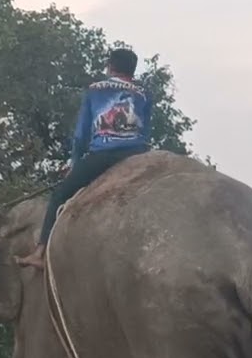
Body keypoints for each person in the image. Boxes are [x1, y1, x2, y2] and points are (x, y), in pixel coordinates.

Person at [16, 47, 153, 269]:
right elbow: (145, 133)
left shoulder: (94, 90)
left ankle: (40, 253)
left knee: (60, 194)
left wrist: (76, 163)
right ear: (132, 71)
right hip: (134, 154)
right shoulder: (144, 94)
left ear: (111, 66)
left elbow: (81, 135)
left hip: (103, 155)